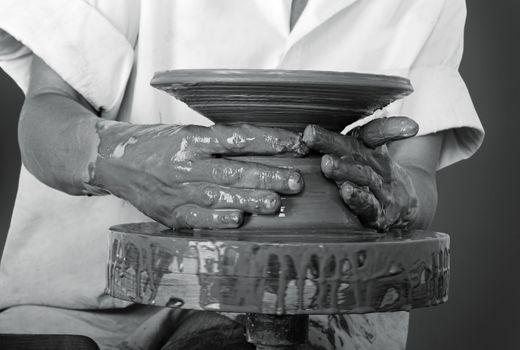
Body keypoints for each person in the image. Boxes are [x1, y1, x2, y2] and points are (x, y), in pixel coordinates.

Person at [0, 0, 483, 349]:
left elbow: (415, 175)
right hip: (88, 302)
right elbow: (45, 122)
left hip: (321, 308)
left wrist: (395, 192)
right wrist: (122, 159)